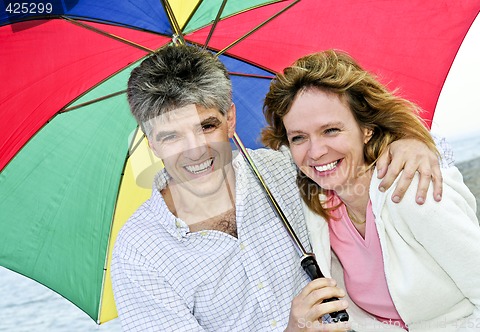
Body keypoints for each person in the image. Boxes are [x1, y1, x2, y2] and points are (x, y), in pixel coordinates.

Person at [111, 45, 447, 332]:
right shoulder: (139, 252)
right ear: (151, 141)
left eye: (206, 126)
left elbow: (353, 145)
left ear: (230, 119)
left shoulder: (288, 170)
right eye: (171, 136)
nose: (196, 150)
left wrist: (409, 142)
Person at [261, 49, 480, 331]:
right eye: (299, 137)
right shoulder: (319, 210)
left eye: (331, 130)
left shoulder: (411, 192)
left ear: (367, 128)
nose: (315, 151)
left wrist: (416, 141)